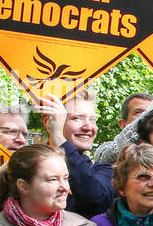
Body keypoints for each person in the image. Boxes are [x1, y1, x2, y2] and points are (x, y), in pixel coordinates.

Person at [36, 85, 115, 218]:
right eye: (77, 118)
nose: (88, 127)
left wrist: (60, 139)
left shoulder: (102, 170)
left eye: (92, 120)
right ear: (49, 123)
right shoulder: (28, 166)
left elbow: (95, 199)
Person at [92, 89, 153, 166]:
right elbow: (105, 158)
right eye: (139, 112)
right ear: (123, 124)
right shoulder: (105, 151)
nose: (145, 116)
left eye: (149, 111)